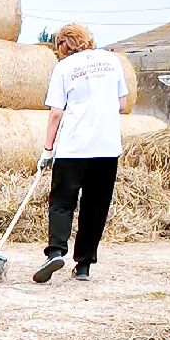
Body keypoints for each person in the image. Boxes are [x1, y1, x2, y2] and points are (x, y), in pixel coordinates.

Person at [34, 22, 129, 283]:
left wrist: (47, 149)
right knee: (95, 206)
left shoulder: (64, 68)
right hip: (107, 148)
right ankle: (84, 265)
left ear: (64, 45)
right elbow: (121, 104)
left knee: (62, 202)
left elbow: (56, 113)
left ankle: (55, 251)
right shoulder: (112, 60)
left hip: (73, 148)